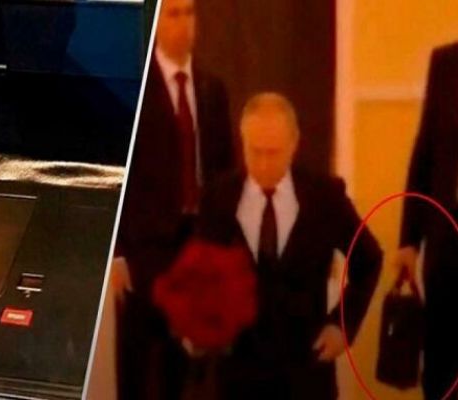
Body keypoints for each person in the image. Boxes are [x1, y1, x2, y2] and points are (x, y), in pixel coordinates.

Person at [196, 93, 382, 399]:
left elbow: (369, 259)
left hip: (306, 374)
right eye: (255, 152)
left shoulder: (325, 196)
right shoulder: (218, 198)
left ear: (294, 144)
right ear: (242, 142)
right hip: (236, 377)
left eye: (273, 153)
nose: (264, 164)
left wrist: (342, 325)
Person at [111, 0, 234, 397]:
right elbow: (117, 173)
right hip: (143, 246)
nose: (184, 23)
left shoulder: (212, 89)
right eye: (174, 13)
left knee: (179, 369)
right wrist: (117, 252)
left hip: (193, 244)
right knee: (135, 361)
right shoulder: (135, 88)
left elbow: (224, 175)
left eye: (190, 13)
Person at [396, 42, 458, 400]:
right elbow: (425, 152)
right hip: (445, 241)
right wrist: (409, 241)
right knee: (440, 364)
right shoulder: (446, 63)